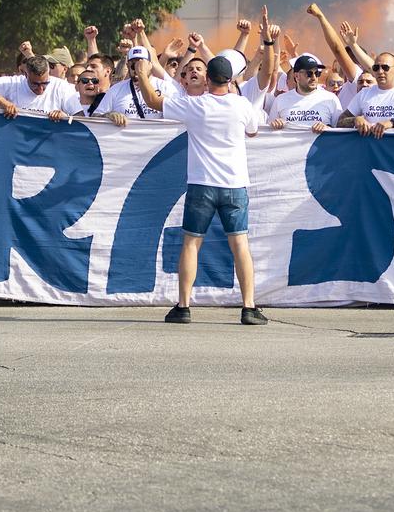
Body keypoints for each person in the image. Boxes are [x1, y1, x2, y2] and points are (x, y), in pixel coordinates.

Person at [132, 54, 267, 326]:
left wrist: (144, 74)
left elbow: (153, 102)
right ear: (230, 79)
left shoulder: (196, 105)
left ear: (207, 79)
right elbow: (253, 132)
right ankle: (249, 307)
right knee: (240, 244)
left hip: (202, 184)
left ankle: (183, 306)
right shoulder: (241, 104)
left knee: (191, 244)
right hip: (234, 184)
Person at [339, 51, 394, 136]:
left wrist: (393, 123)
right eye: (376, 68)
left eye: (385, 68)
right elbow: (340, 121)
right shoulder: (364, 93)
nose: (380, 71)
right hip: (370, 146)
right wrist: (355, 120)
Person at [268, 54, 342, 132]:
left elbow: (341, 131)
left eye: (317, 73)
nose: (314, 78)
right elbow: (269, 131)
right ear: (296, 76)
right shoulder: (280, 100)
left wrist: (327, 128)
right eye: (309, 74)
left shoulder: (331, 99)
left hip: (320, 140)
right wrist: (276, 124)